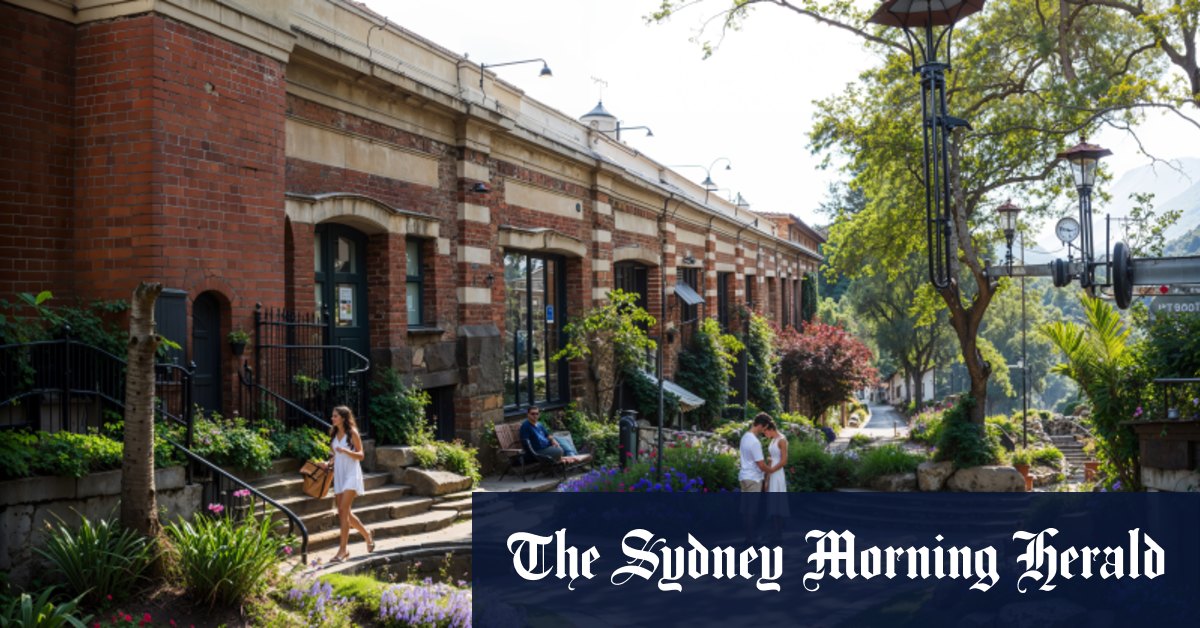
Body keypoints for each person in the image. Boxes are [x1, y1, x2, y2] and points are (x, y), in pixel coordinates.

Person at [322, 405, 374, 563]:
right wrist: (327, 463)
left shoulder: (352, 433)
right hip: (339, 474)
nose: (332, 418)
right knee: (344, 512)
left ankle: (343, 550)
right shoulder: (333, 433)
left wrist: (346, 451)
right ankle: (367, 534)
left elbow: (361, 455)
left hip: (352, 474)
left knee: (343, 511)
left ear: (343, 418)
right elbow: (334, 456)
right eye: (333, 416)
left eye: (335, 416)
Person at [739, 413, 772, 492]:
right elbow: (761, 465)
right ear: (760, 425)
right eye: (764, 428)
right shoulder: (755, 442)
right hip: (753, 479)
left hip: (744, 477)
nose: (764, 431)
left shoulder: (744, 437)